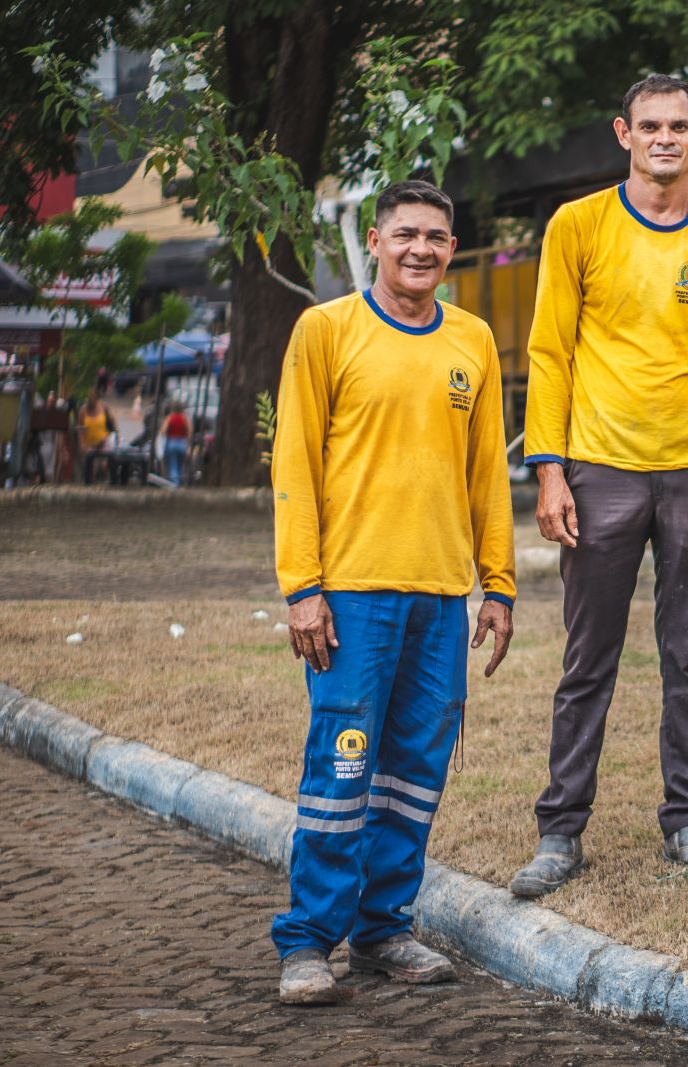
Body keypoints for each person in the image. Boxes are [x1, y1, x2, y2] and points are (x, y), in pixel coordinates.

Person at [509, 74, 688, 897]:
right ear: (624, 133)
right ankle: (560, 831)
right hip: (600, 467)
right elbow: (550, 352)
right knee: (588, 657)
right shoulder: (578, 224)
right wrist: (550, 470)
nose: (664, 138)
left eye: (677, 126)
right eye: (649, 125)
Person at [269, 179, 517, 1003]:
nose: (421, 249)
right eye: (405, 233)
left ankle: (383, 928)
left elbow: (487, 473)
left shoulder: (473, 339)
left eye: (436, 237)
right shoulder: (326, 329)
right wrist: (302, 586)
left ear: (452, 249)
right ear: (374, 241)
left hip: (441, 596)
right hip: (349, 596)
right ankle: (309, 940)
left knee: (414, 769)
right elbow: (294, 462)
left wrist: (498, 584)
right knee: (342, 765)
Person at [161, 400, 190, 486]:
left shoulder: (170, 417)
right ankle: (179, 481)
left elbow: (163, 430)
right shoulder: (185, 418)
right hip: (182, 442)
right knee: (180, 464)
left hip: (172, 442)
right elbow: (189, 430)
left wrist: (166, 435)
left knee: (173, 464)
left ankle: (175, 483)